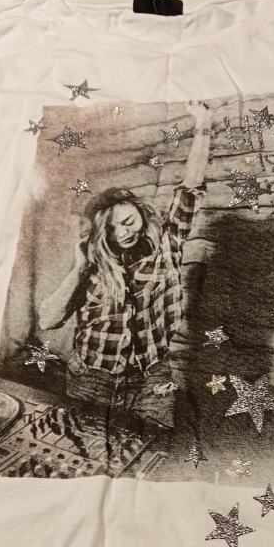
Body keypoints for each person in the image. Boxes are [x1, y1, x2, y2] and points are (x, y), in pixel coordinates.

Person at [38, 100, 212, 431]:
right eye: (114, 228)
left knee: (153, 451)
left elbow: (191, 186)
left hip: (152, 380)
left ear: (141, 214)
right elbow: (48, 319)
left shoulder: (167, 243)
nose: (124, 233)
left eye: (129, 221)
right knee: (88, 452)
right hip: (92, 379)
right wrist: (79, 269)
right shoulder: (92, 261)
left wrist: (204, 123)